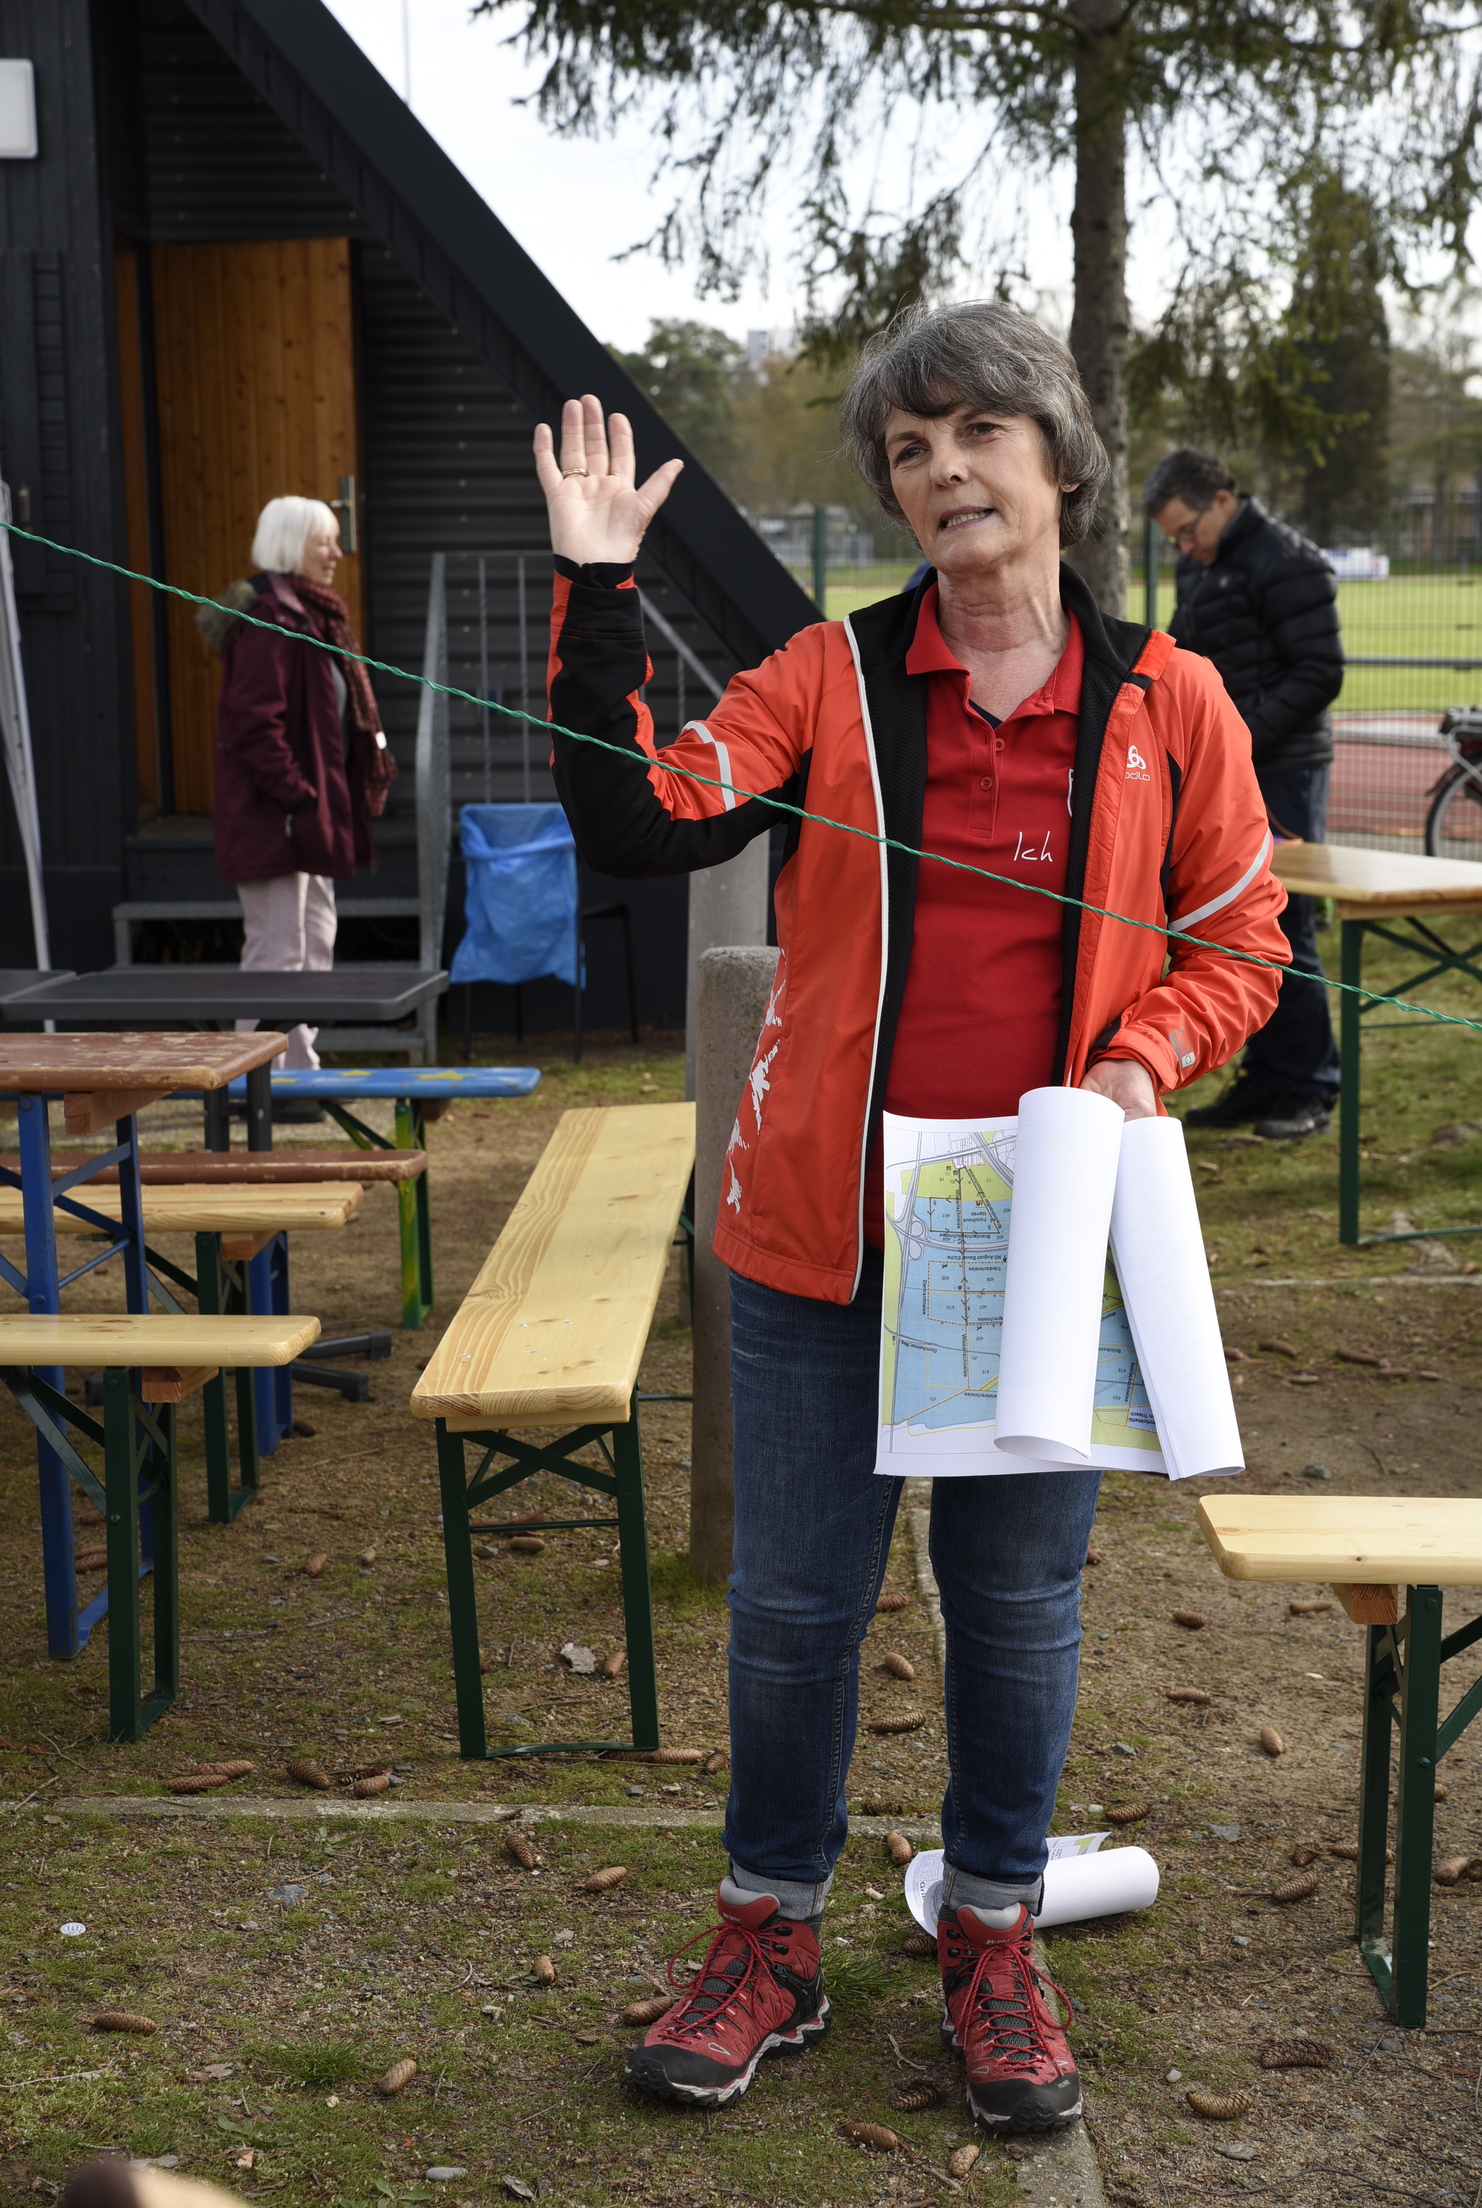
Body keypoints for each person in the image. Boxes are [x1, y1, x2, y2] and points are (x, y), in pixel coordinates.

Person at [535, 303, 1289, 2133]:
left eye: (974, 432)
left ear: (1056, 459)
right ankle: (765, 1940)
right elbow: (644, 822)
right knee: (794, 1607)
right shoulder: (828, 675)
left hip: (1042, 1239)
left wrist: (1134, 1066)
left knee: (1016, 1604)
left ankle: (996, 1934)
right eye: (905, 447)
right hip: (818, 1232)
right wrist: (598, 593)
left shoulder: (1166, 701)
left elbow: (1244, 942)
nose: (941, 467)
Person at [1143, 448, 1344, 1138]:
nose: (1183, 545)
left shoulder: (1286, 561)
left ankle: (1310, 1084)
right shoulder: (1202, 565)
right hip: (1226, 762)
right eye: (1172, 537)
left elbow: (1319, 670)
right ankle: (1266, 1077)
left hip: (1283, 767)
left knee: (1285, 925)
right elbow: (1180, 654)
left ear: (1223, 501)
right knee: (1224, 927)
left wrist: (1236, 738)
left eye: (1187, 529)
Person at [200, 495, 395, 1111]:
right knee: (278, 951)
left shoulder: (314, 617)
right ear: (291, 547)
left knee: (314, 945)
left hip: (310, 820)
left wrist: (315, 806)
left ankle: (296, 1073)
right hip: (278, 822)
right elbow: (255, 726)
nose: (337, 553)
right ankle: (248, 1081)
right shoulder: (270, 620)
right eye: (324, 542)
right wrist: (300, 798)